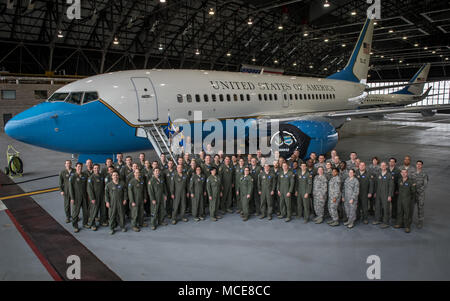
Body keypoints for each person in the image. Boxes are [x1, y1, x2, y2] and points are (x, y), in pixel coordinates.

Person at [69, 162, 89, 233]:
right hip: (76, 197)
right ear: (75, 167)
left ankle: (85, 223)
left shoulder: (85, 175)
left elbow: (88, 186)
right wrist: (72, 198)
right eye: (78, 167)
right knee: (75, 212)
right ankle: (75, 226)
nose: (79, 168)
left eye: (80, 167)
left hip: (84, 196)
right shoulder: (73, 177)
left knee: (86, 211)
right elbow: (70, 188)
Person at [373, 162, 394, 227]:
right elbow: (376, 184)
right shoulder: (378, 174)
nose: (383, 166)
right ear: (380, 167)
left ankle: (386, 222)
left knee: (386, 208)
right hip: (378, 193)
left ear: (386, 166)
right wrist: (375, 192)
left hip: (386, 194)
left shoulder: (389, 175)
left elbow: (391, 186)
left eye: (384, 165)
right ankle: (377, 220)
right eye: (382, 165)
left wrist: (390, 195)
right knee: (377, 207)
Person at [87, 164, 105, 230]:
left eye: (97, 168)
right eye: (95, 168)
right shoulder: (91, 178)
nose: (96, 169)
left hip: (102, 196)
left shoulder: (101, 176)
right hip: (95, 197)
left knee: (103, 210)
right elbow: (89, 189)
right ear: (93, 169)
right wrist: (92, 198)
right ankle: (92, 224)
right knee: (94, 211)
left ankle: (102, 221)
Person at [411, 160, 428, 229]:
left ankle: (420, 222)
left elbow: (425, 184)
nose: (418, 165)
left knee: (420, 208)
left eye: (420, 164)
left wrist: (418, 190)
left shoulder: (424, 174)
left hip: (420, 194)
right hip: (413, 194)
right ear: (416, 165)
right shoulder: (412, 173)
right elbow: (410, 183)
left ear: (422, 165)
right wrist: (412, 190)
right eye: (417, 164)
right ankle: (409, 220)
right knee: (411, 207)